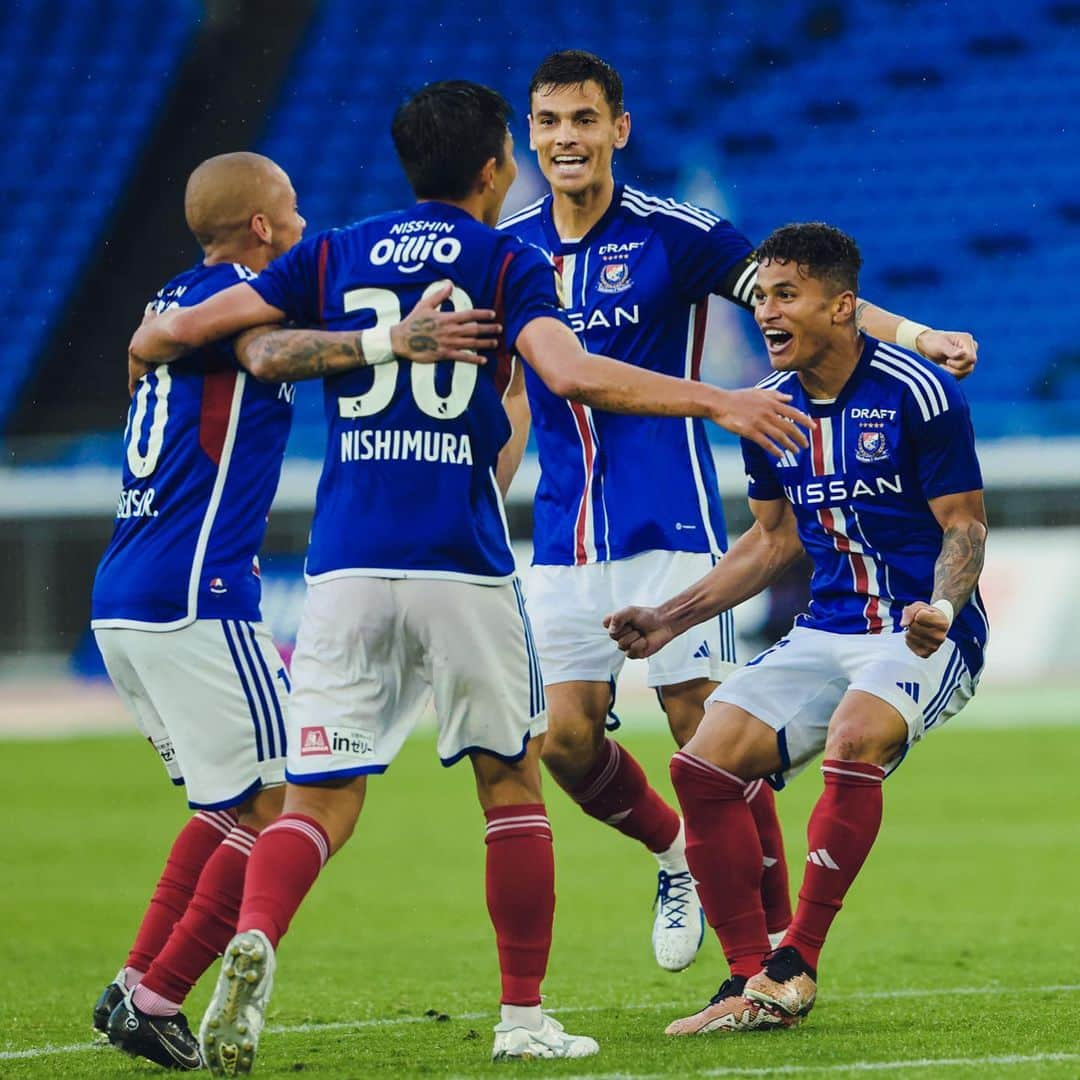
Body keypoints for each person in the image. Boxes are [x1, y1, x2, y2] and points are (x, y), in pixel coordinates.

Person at [126, 81, 813, 1073]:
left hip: (348, 560)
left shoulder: (336, 250)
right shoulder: (508, 255)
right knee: (514, 779)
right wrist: (723, 403)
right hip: (462, 552)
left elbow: (249, 345)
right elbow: (566, 375)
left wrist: (358, 342)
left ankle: (259, 938)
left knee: (316, 794)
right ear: (498, 164)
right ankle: (522, 1017)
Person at [498, 49, 980, 973]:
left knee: (704, 734)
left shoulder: (675, 232)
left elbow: (807, 297)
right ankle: (674, 854)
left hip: (670, 519)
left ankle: (756, 962)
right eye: (550, 122)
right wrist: (490, 488)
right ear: (532, 134)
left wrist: (919, 335)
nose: (567, 138)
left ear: (618, 129)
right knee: (562, 742)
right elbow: (517, 391)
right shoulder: (510, 250)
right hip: (562, 531)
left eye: (585, 120)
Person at [91, 151, 498, 1071]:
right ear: (265, 230)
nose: (308, 224)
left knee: (227, 804)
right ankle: (154, 994)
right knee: (285, 802)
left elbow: (150, 348)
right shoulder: (252, 294)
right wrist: (398, 340)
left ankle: (136, 989)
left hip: (127, 592)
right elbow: (270, 351)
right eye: (296, 208)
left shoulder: (172, 299)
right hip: (197, 593)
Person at [604, 222, 988, 1034]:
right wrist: (668, 619)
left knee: (855, 736)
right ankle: (750, 976)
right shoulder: (769, 410)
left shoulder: (918, 392)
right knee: (702, 766)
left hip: (921, 630)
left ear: (842, 306)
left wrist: (944, 610)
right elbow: (772, 541)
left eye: (786, 295)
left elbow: (965, 529)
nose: (765, 313)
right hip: (826, 627)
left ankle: (797, 962)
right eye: (761, 297)